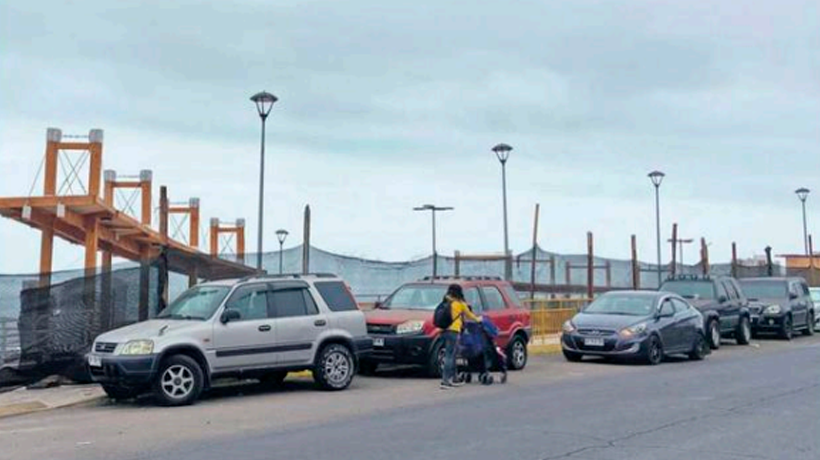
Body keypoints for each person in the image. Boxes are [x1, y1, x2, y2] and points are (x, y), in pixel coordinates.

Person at [440, 283, 482, 389]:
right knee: (450, 356)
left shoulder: (446, 300)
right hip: (454, 331)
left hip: (444, 330)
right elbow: (469, 315)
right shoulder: (460, 303)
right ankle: (445, 381)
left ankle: (454, 378)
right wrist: (479, 319)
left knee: (452, 355)